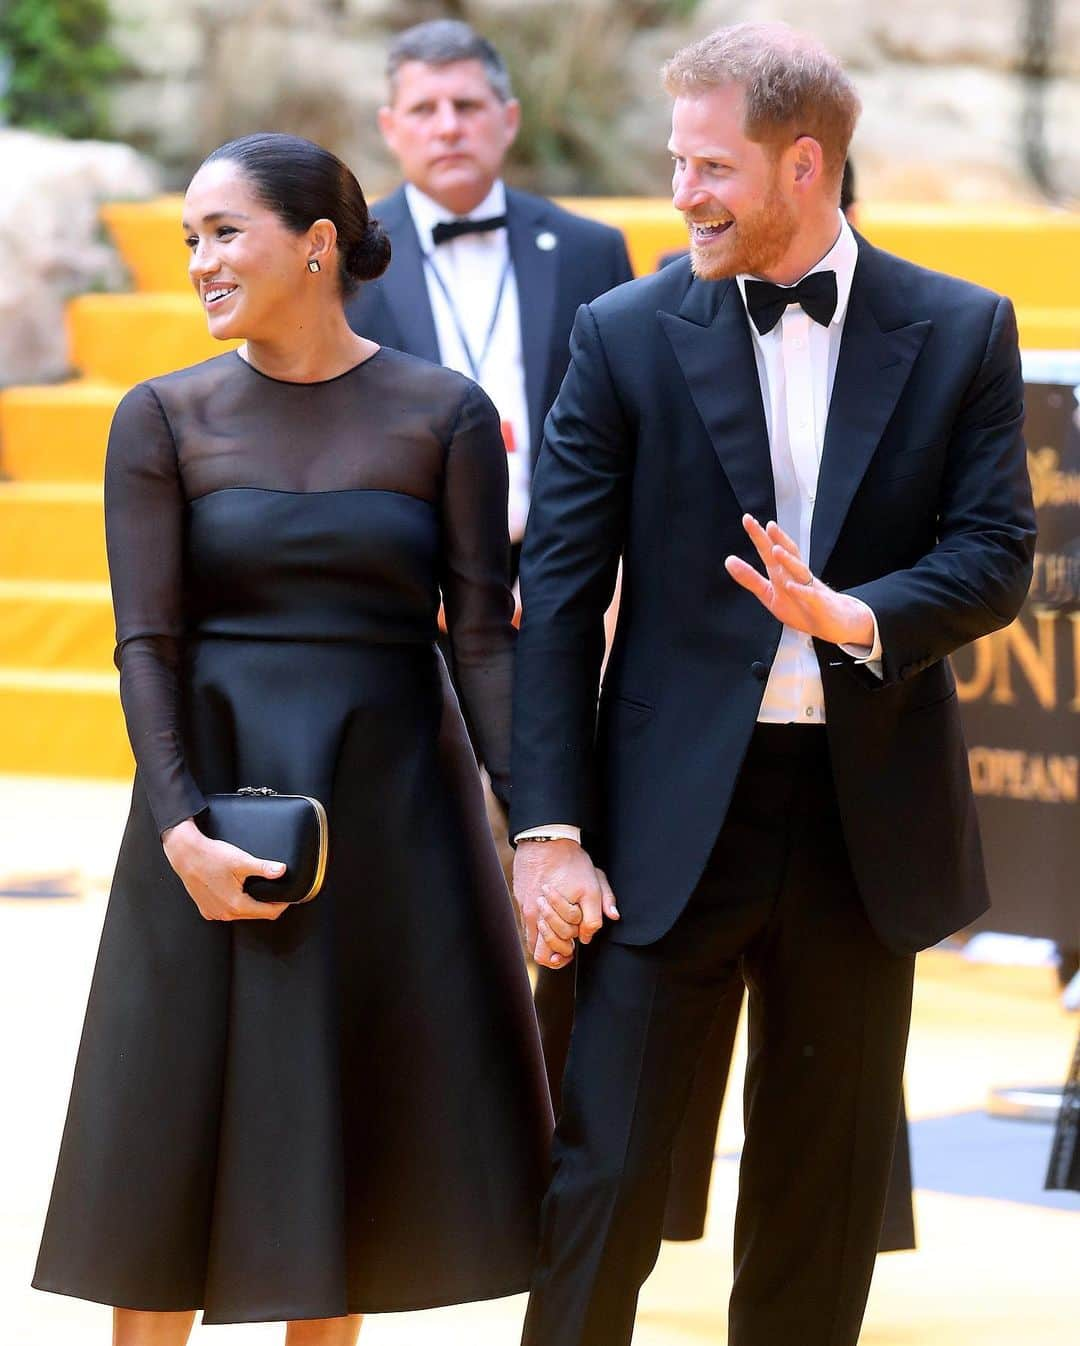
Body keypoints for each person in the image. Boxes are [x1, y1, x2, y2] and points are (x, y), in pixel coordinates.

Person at [511, 22, 1035, 1346]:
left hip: (864, 824)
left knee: (821, 1190)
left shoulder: (962, 325)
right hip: (663, 821)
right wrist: (548, 832)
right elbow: (561, 597)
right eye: (676, 158)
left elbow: (995, 554)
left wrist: (854, 611)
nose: (680, 189)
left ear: (805, 164)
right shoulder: (622, 332)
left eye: (708, 163)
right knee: (607, 1175)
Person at [33, 132, 551, 1345]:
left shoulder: (445, 414)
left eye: (225, 233)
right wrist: (178, 830)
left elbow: (481, 639)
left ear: (316, 244)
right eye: (191, 241)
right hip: (206, 814)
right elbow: (146, 642)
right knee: (165, 1147)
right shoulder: (160, 416)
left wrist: (539, 828)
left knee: (347, 1142)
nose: (202, 262)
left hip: (392, 820)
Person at [345, 19, 633, 579]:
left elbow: (632, 426)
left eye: (468, 106)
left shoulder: (590, 250)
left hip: (571, 578)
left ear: (509, 120)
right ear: (390, 128)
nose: (448, 127)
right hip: (405, 590)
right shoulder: (345, 262)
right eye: (424, 109)